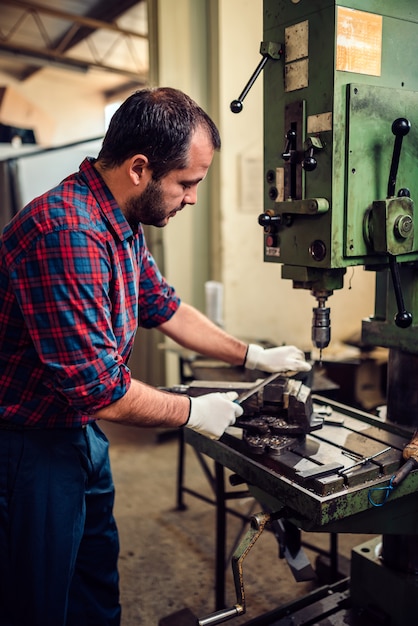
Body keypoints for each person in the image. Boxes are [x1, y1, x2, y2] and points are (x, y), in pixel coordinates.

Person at [0, 87, 310, 626]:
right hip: (28, 447)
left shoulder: (119, 221)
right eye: (187, 183)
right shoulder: (68, 231)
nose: (192, 198)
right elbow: (98, 390)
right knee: (38, 600)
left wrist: (253, 356)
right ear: (140, 168)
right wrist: (193, 411)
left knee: (93, 584)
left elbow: (163, 306)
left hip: (78, 435)